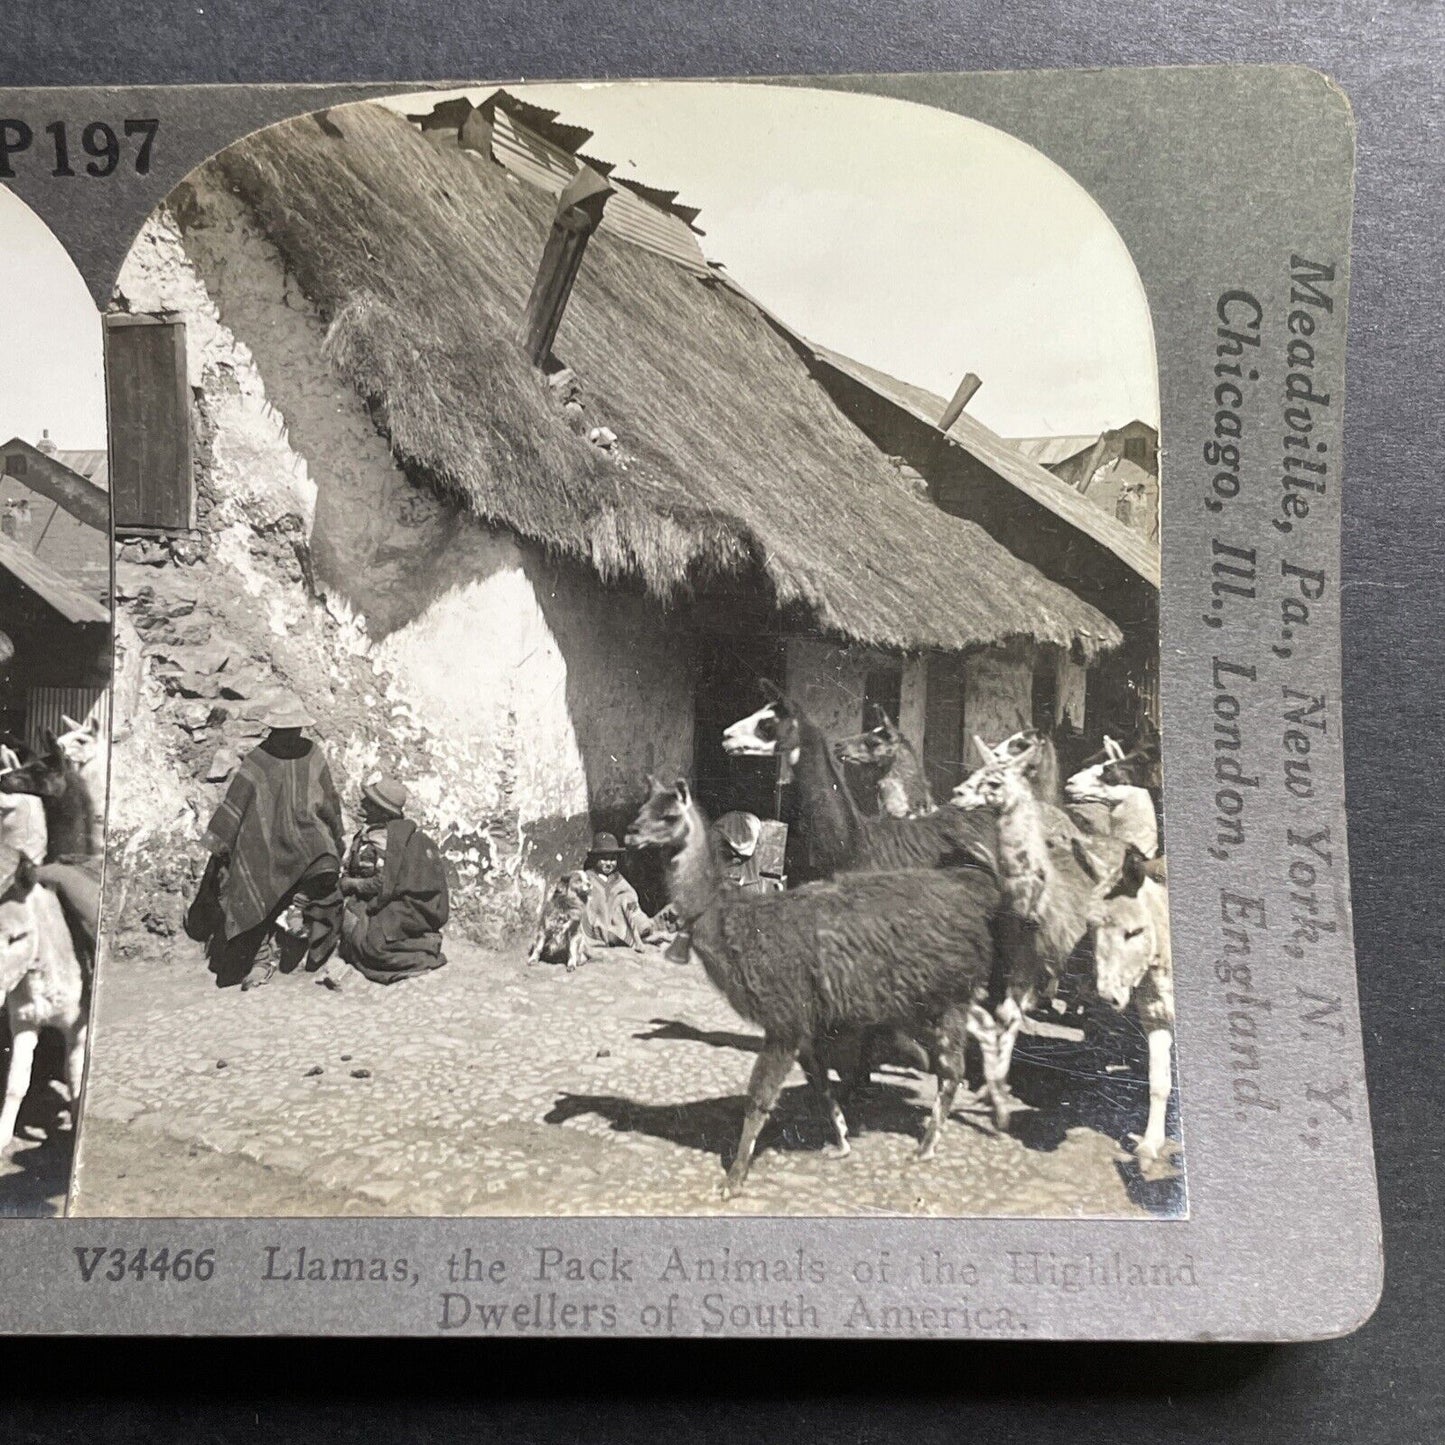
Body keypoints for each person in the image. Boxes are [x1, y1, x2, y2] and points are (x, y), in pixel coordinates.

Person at [187, 696, 344, 991]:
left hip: (284, 845)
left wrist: (223, 843)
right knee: (252, 877)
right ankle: (272, 944)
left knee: (246, 875)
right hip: (302, 844)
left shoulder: (270, 757)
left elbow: (233, 807)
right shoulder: (303, 754)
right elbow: (330, 807)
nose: (291, 735)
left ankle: (283, 929)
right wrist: (336, 838)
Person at [325, 774, 449, 988]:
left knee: (372, 948)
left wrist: (351, 885)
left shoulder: (387, 840)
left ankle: (423, 947)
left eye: (369, 802)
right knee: (353, 932)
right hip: (387, 900)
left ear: (381, 810)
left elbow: (383, 883)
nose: (362, 803)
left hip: (405, 905)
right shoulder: (371, 834)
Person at [580, 832, 648, 953]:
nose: (609, 863)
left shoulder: (617, 878)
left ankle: (634, 931)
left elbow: (630, 893)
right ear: (595, 859)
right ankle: (600, 937)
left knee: (624, 899)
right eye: (604, 859)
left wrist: (624, 899)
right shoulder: (589, 877)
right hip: (598, 922)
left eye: (612, 859)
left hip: (617, 921)